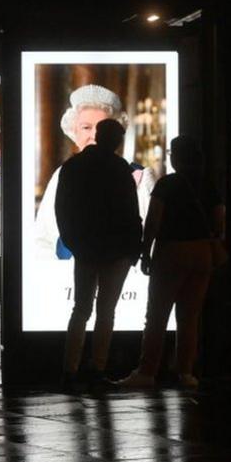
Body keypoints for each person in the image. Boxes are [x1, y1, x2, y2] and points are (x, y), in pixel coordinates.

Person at [120, 136, 225, 388]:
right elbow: (219, 220)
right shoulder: (208, 185)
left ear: (176, 157)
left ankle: (147, 372)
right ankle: (186, 372)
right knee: (189, 316)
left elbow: (153, 221)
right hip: (203, 253)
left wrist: (145, 251)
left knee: (157, 315)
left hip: (172, 252)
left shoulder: (167, 185)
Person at [56, 118, 142, 390]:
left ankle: (69, 369)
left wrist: (74, 243)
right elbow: (130, 212)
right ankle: (98, 367)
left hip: (86, 248)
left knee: (80, 309)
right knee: (106, 311)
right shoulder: (120, 168)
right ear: (117, 141)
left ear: (97, 135)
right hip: (116, 250)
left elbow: (63, 209)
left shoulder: (73, 166)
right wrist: (134, 248)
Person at [34, 83, 156, 260]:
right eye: (86, 127)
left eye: (101, 128)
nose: (94, 136)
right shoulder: (62, 174)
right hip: (68, 277)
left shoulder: (140, 177)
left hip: (123, 276)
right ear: (74, 132)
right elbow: (42, 240)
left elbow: (151, 240)